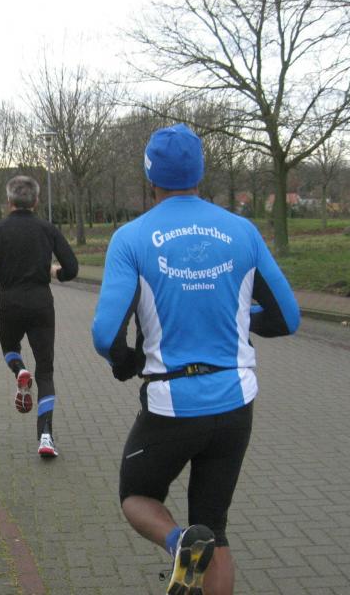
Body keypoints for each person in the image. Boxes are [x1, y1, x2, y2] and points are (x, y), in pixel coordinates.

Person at [91, 124, 300, 594]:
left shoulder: (131, 238)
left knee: (136, 496)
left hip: (171, 404)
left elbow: (105, 334)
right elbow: (287, 318)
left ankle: (179, 542)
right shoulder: (243, 231)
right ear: (200, 173)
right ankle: (199, 541)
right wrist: (235, 315)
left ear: (150, 177)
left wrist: (125, 362)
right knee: (215, 527)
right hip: (235, 400)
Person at [0, 175, 79, 458]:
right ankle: (46, 437)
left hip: (11, 303)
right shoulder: (48, 229)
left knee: (9, 348)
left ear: (9, 202)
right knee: (46, 371)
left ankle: (19, 371)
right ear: (37, 201)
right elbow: (73, 268)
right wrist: (56, 272)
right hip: (41, 304)